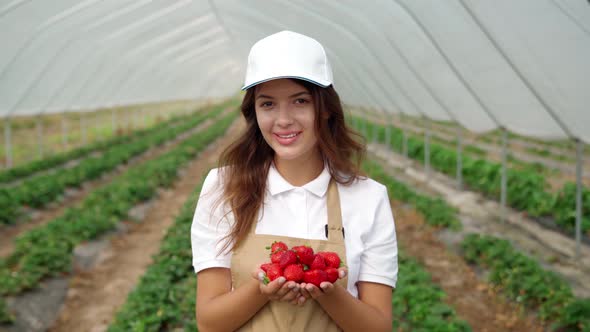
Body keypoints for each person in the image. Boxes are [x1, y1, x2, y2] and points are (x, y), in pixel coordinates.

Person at [191, 30, 398, 331]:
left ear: (325, 107)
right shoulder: (223, 187)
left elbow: (378, 326)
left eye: (300, 101)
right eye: (268, 104)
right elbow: (209, 322)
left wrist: (328, 292)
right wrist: (261, 290)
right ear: (254, 111)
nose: (283, 119)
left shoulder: (367, 197)